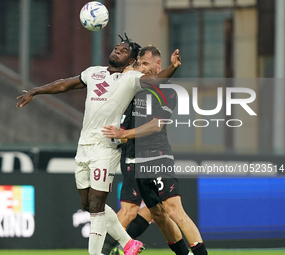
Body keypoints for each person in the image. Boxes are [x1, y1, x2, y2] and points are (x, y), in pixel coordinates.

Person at [16, 35, 182, 255]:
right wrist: (36, 90)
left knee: (95, 207)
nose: (117, 51)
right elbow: (65, 84)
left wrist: (173, 67)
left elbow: (158, 79)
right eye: (116, 48)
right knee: (88, 205)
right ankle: (128, 242)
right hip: (84, 145)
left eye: (123, 51)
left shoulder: (131, 78)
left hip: (106, 146)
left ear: (131, 59)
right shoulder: (93, 72)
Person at [102, 46, 208, 255]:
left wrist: (124, 134)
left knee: (174, 210)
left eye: (146, 64)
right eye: (139, 64)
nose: (141, 68)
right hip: (135, 161)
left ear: (158, 65)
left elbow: (156, 125)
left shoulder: (167, 92)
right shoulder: (134, 90)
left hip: (157, 157)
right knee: (158, 215)